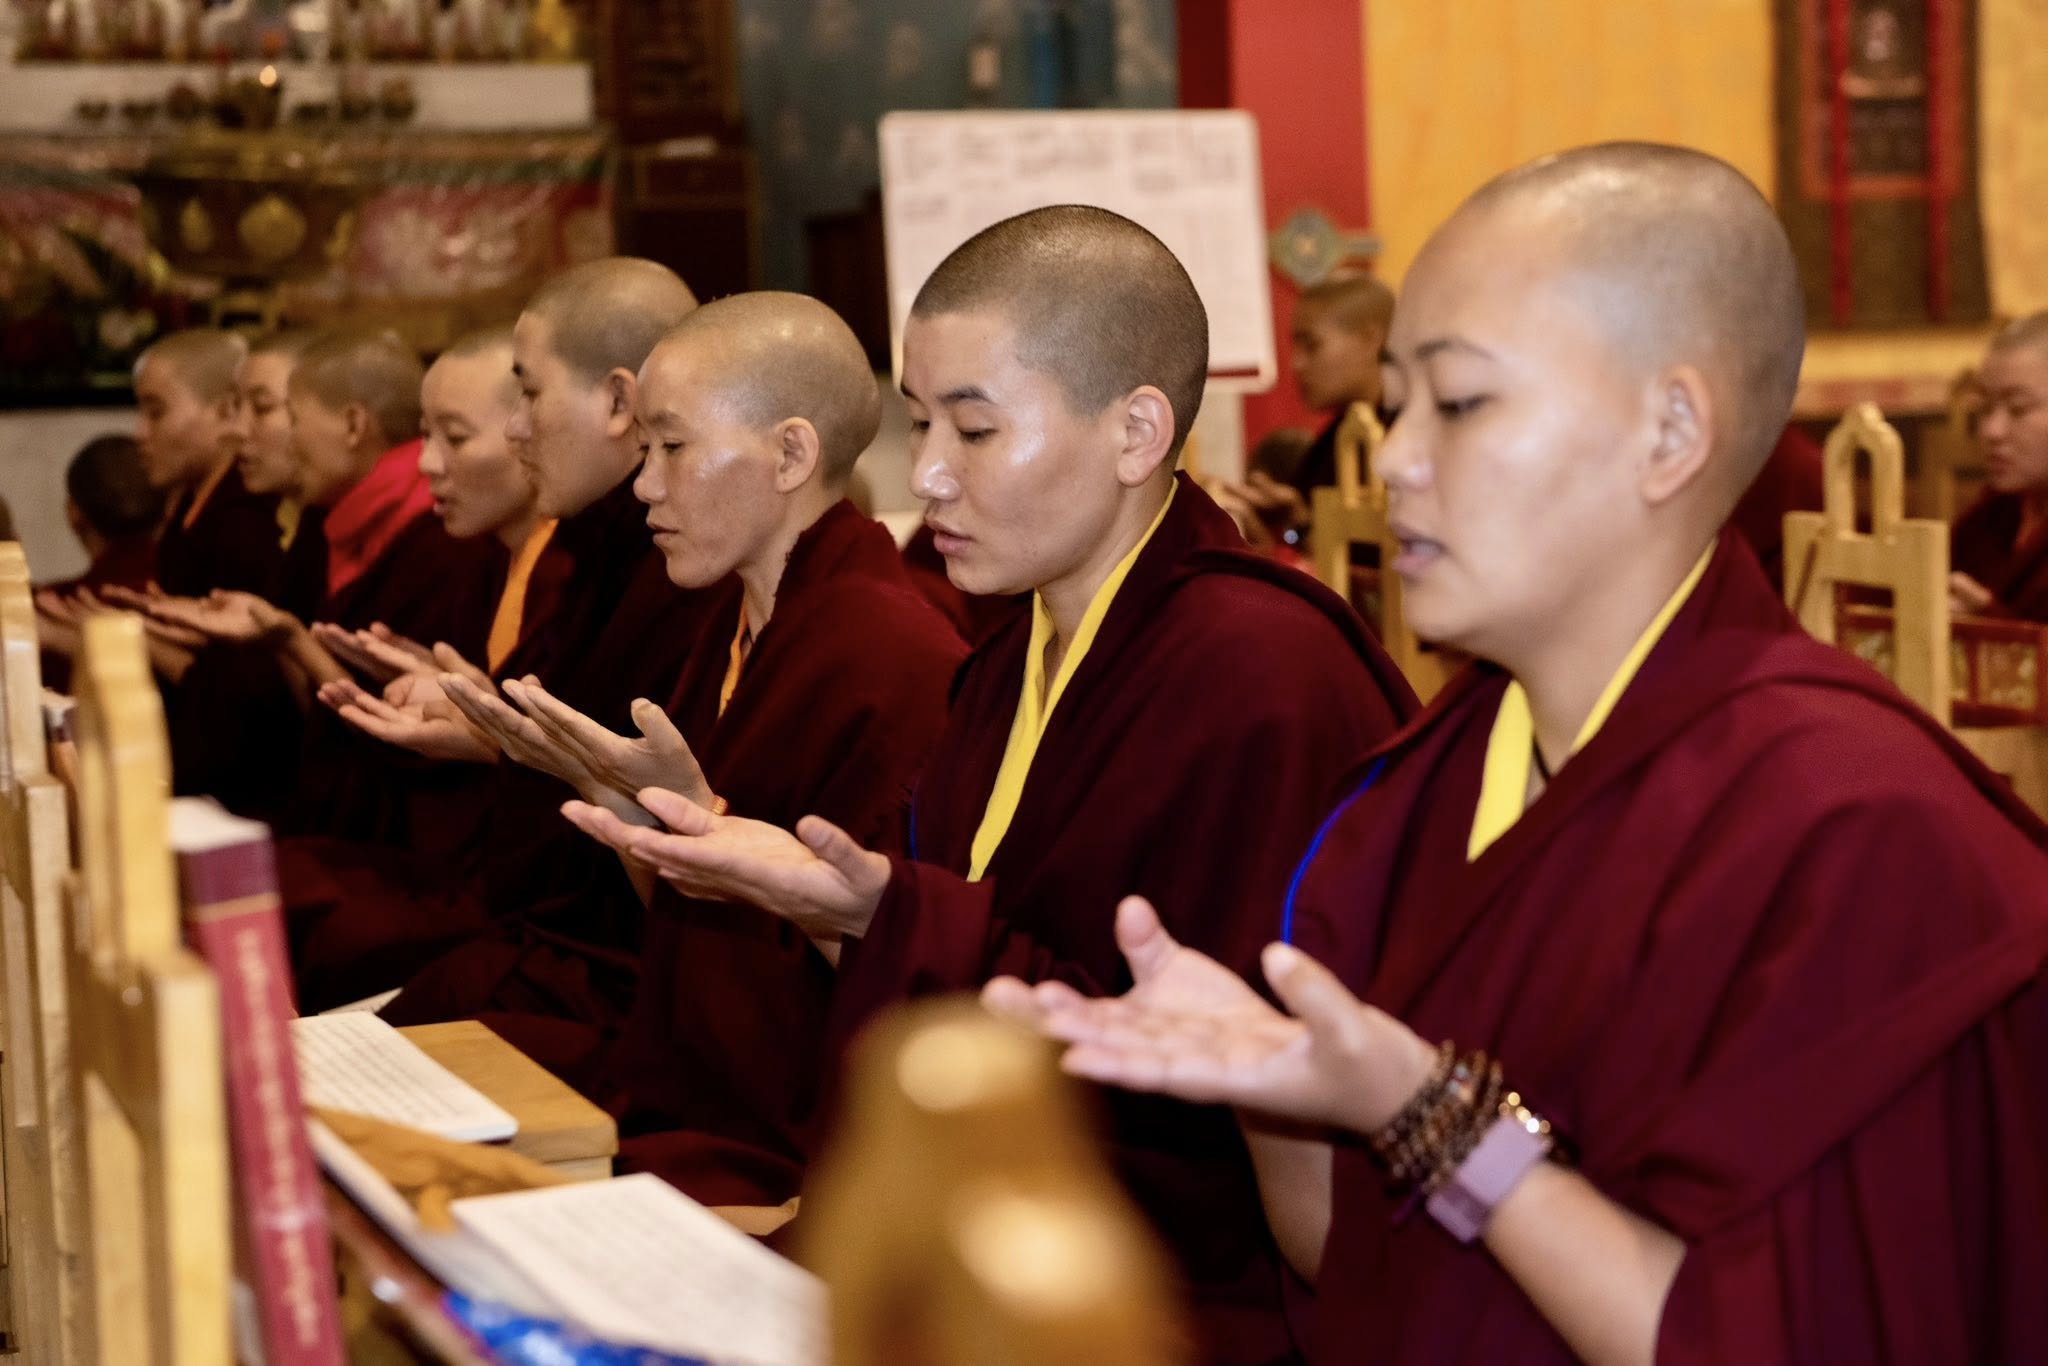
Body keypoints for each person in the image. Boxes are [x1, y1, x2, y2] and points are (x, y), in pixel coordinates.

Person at [984, 144, 2048, 1365]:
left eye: (1460, 401)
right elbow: (1336, 1260)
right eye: (1395, 401)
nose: (1392, 458)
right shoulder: (1420, 789)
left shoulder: (1854, 830)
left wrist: (1430, 1116)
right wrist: (1272, 1090)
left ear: (1669, 431)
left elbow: (1747, 1336)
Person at [564, 206, 1417, 1363]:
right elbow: (958, 951)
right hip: (980, 1204)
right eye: (920, 426)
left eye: (972, 430)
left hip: (1146, 1286)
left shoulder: (1258, 673)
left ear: (1136, 431)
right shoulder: (1008, 654)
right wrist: (848, 914)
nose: (924, 476)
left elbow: (1213, 1103)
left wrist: (875, 914)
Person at [417, 293, 965, 1203]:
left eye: (673, 449)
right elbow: (678, 913)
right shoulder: (730, 617)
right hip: (686, 1068)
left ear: (791, 454)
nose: (644, 487)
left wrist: (691, 826)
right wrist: (633, 809)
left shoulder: (892, 654)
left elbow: (886, 970)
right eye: (646, 454)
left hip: (803, 1130)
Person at [280, 257, 716, 1013]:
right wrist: (495, 723)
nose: (517, 430)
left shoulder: (684, 575)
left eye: (531, 394)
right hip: (554, 924)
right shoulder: (600, 555)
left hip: (623, 968)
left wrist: (512, 737)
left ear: (619, 401)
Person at [1220, 273, 1396, 549]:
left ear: (1370, 341)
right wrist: (1289, 520)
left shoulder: (1406, 437)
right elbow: (1303, 533)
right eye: (1296, 347)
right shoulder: (1333, 438)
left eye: (1312, 345)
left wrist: (1300, 529)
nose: (1296, 364)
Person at [131, 327, 288, 599]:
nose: (140, 433)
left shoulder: (247, 521)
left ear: (226, 410)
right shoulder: (190, 505)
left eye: (156, 412)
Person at [1950, 312, 2048, 620]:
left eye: (2018, 409)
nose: (1991, 431)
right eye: (1985, 408)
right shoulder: (1992, 518)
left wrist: (1992, 626)